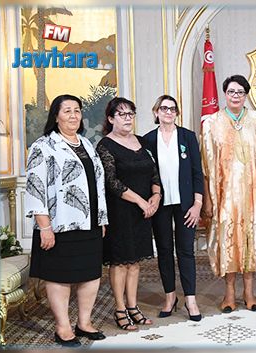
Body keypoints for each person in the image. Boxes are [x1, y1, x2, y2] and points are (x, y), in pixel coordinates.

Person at [24, 94, 108, 347]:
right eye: (67, 111)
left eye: (77, 110)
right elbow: (35, 188)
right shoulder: (43, 145)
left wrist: (101, 218)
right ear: (56, 116)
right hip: (59, 225)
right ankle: (62, 326)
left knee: (90, 274)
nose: (74, 115)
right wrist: (44, 227)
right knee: (59, 275)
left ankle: (84, 322)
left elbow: (97, 184)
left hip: (89, 222)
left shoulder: (86, 143)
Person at [200, 75, 256, 313]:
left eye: (240, 92)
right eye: (231, 91)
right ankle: (229, 294)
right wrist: (208, 199)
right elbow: (204, 165)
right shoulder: (211, 123)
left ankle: (250, 293)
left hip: (254, 195)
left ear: (246, 95)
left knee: (251, 241)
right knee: (229, 243)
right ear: (225, 94)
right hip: (225, 196)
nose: (236, 96)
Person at [97, 97, 161, 330]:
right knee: (121, 261)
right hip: (120, 210)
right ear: (111, 118)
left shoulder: (143, 142)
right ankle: (120, 309)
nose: (127, 118)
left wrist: (156, 196)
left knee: (135, 262)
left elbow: (154, 173)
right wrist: (141, 202)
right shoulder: (105, 145)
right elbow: (111, 182)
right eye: (122, 114)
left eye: (130, 114)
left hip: (143, 211)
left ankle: (133, 307)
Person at [144, 95, 204, 321]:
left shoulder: (187, 137)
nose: (168, 112)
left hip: (186, 204)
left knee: (186, 250)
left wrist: (198, 204)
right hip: (160, 204)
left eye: (172, 109)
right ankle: (170, 296)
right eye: (164, 108)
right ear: (156, 112)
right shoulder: (148, 140)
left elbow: (198, 173)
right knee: (165, 251)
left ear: (177, 113)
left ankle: (190, 299)